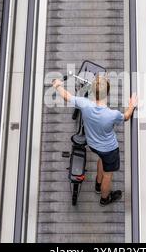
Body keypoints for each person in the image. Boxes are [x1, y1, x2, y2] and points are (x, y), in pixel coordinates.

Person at [53, 76, 137, 206]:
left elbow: (67, 96)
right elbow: (126, 117)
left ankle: (98, 184)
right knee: (108, 175)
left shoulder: (84, 104)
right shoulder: (112, 114)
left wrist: (57, 85)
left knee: (101, 159)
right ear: (107, 93)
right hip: (109, 149)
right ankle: (104, 198)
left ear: (93, 91)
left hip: (92, 144)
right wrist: (132, 105)